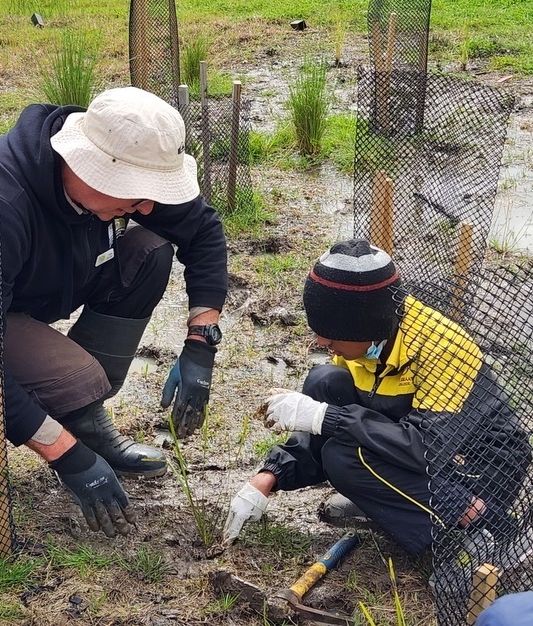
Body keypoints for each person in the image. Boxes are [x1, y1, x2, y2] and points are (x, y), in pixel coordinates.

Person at [223, 239, 530, 580]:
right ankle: (387, 502)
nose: (323, 343)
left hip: (476, 468)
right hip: (422, 449)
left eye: (331, 335)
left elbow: (425, 450)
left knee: (345, 458)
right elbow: (343, 423)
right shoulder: (367, 337)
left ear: (365, 326)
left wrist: (326, 418)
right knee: (324, 382)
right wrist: (268, 478)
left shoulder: (445, 349)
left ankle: (464, 539)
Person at [0, 86, 227, 538]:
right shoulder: (7, 206)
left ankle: (85, 420)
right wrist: (62, 452)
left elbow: (202, 230)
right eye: (139, 195)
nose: (147, 207)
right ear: (90, 168)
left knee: (150, 251)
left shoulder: (116, 175)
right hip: (10, 308)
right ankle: (74, 419)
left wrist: (202, 340)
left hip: (47, 284)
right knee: (79, 377)